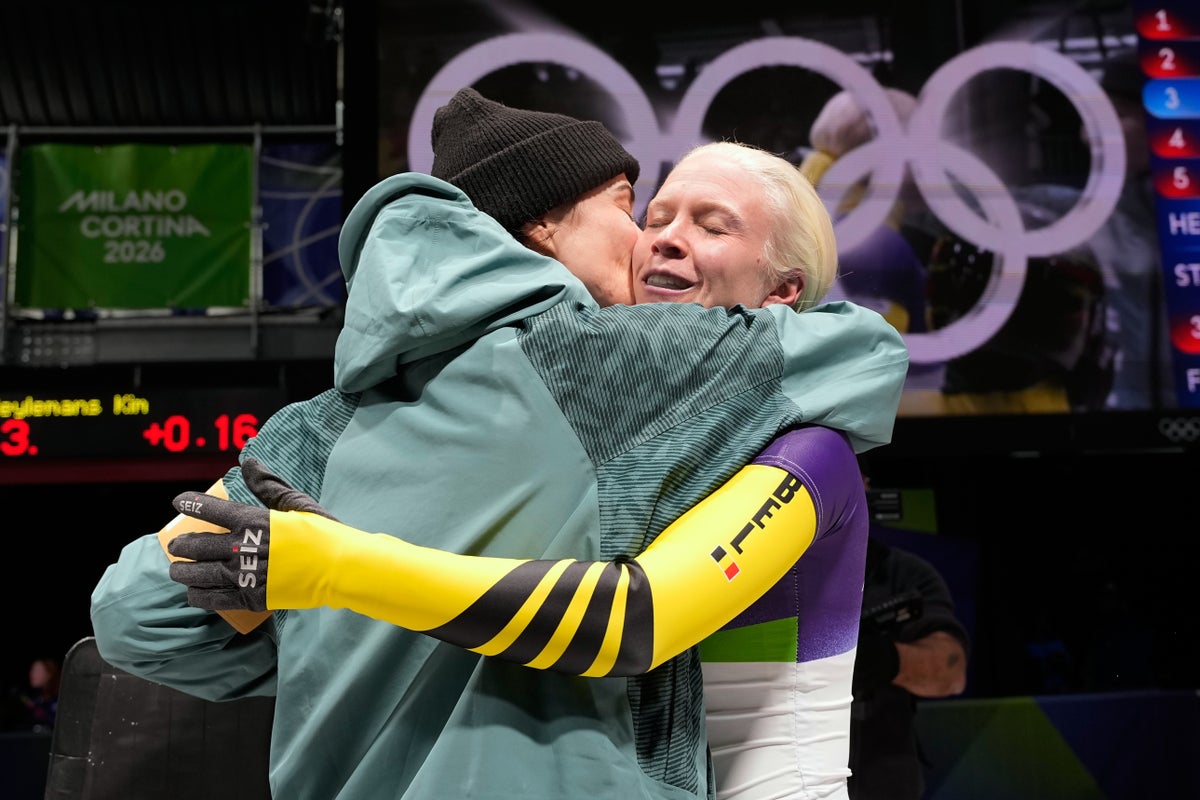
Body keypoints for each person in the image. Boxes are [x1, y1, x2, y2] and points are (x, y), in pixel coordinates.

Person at [94, 88, 909, 799]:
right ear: (546, 226)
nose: (648, 239)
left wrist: (340, 626)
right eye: (634, 207)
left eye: (706, 223)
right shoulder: (620, 368)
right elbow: (869, 353)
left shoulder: (315, 429)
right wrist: (342, 585)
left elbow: (136, 614)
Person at [848, 534, 968, 800]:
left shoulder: (902, 572)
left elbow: (952, 671)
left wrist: (884, 659)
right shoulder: (771, 569)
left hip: (882, 778)